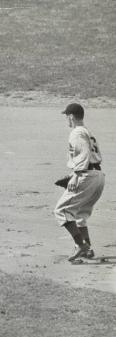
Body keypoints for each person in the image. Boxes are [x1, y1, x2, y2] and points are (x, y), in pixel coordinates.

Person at [54, 103, 105, 261]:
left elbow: (83, 153)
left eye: (66, 117)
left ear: (71, 116)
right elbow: (89, 154)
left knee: (61, 211)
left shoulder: (76, 132)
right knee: (80, 214)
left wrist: (76, 175)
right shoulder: (88, 132)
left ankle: (81, 245)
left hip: (86, 175)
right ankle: (88, 249)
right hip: (98, 176)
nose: (66, 120)